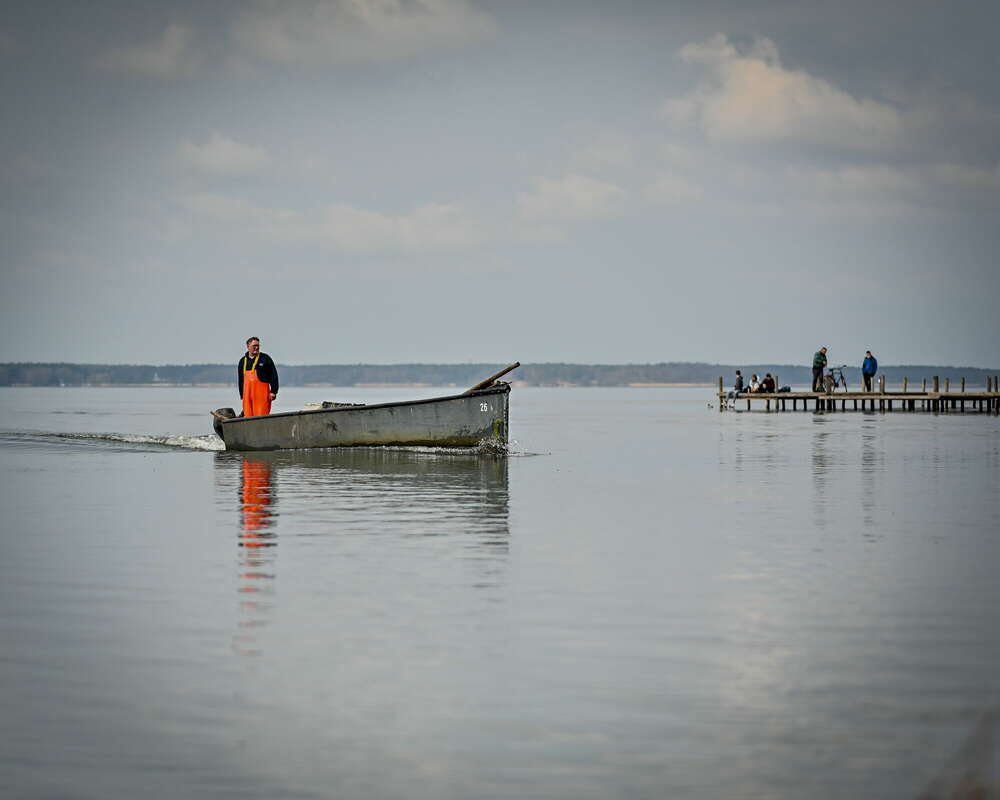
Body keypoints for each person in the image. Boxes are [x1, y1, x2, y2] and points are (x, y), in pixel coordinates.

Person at [238, 337, 279, 417]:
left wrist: (273, 391)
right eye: (254, 346)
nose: (256, 347)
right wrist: (242, 395)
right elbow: (240, 380)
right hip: (247, 396)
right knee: (248, 416)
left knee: (261, 416)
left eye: (258, 345)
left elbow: (273, 375)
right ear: (248, 346)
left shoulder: (265, 358)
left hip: (261, 396)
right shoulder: (242, 361)